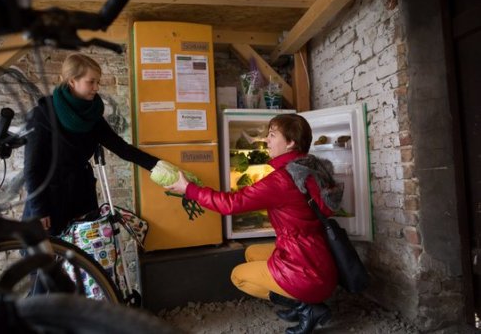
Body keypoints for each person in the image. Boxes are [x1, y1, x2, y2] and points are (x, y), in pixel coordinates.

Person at [165, 113, 342, 334]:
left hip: (306, 271)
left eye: (272, 135)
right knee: (252, 253)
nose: (267, 140)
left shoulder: (281, 180)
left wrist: (189, 189)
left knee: (239, 276)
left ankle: (307, 307)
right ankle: (304, 303)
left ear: (290, 143)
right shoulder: (312, 170)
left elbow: (231, 204)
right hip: (319, 258)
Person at [23, 53, 162, 236]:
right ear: (72, 81)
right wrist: (39, 210)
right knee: (52, 257)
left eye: (98, 82)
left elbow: (121, 148)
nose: (97, 88)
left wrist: (158, 165)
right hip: (50, 200)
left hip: (82, 195)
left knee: (85, 256)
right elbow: (33, 168)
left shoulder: (92, 116)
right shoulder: (43, 115)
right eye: (91, 82)